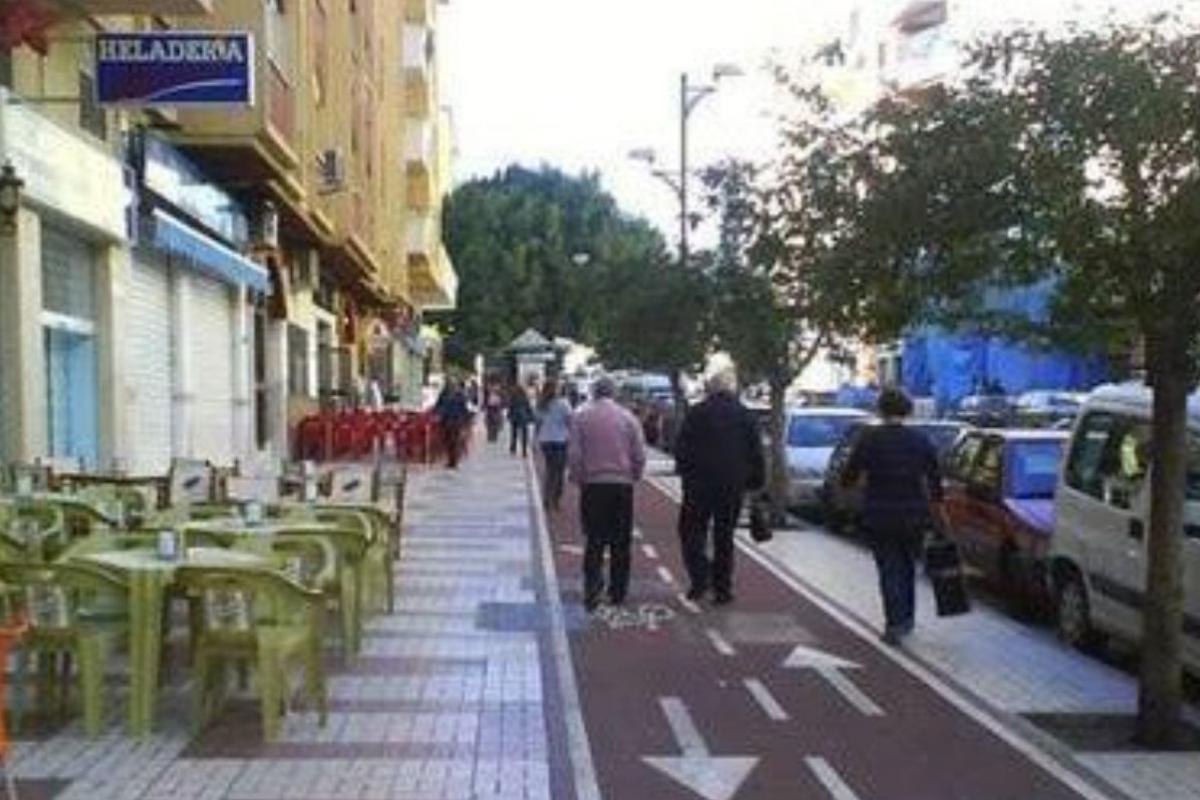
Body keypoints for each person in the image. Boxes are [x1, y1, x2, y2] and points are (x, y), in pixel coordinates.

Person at [842, 387, 947, 645]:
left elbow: (849, 476)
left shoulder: (869, 439)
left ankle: (894, 622)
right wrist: (938, 512)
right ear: (908, 410)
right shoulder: (920, 440)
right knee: (908, 565)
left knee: (888, 567)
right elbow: (935, 481)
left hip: (879, 513)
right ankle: (907, 618)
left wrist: (857, 487)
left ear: (880, 409)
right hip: (914, 513)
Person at [672, 370, 765, 606]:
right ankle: (722, 588)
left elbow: (681, 446)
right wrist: (755, 482)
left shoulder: (697, 413)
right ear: (732, 389)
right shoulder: (745, 415)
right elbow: (756, 451)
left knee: (691, 531)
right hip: (732, 484)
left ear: (710, 389)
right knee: (724, 536)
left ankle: (700, 578)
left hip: (698, 484)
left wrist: (684, 472)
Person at [568, 376, 646, 611]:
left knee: (595, 538)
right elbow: (639, 453)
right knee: (621, 540)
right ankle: (618, 590)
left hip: (593, 485)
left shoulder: (581, 417)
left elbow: (575, 454)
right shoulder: (628, 418)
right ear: (614, 393)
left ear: (594, 393)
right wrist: (634, 475)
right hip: (621, 485)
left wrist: (578, 477)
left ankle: (592, 588)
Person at [536, 379, 573, 512]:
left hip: (545, 440)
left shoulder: (541, 404)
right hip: (560, 440)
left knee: (550, 470)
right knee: (559, 471)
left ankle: (547, 498)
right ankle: (556, 499)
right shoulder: (564, 403)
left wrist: (536, 439)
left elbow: (538, 422)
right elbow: (570, 421)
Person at [433, 379, 471, 469]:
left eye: (453, 385)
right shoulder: (444, 395)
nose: (452, 387)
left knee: (454, 441)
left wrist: (465, 420)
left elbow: (464, 409)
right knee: (448, 441)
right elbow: (438, 406)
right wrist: (438, 414)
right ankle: (451, 460)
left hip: (455, 421)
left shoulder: (459, 395)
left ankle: (454, 461)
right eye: (450, 385)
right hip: (447, 421)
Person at [508, 382, 534, 457]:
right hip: (523, 417)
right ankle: (524, 450)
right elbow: (528, 408)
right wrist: (531, 416)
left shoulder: (513, 398)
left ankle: (513, 448)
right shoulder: (525, 398)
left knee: (514, 433)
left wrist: (509, 415)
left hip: (514, 417)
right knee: (524, 434)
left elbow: (511, 407)